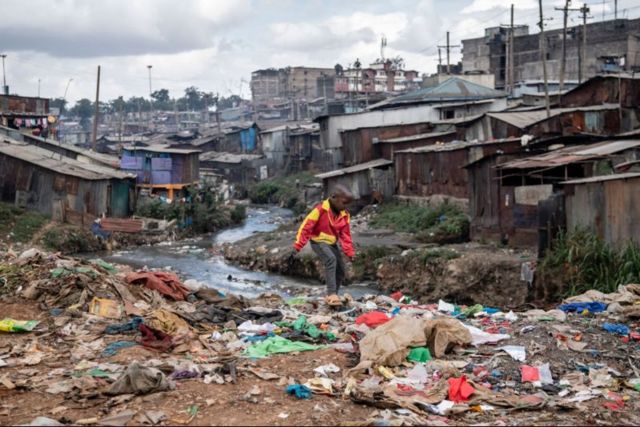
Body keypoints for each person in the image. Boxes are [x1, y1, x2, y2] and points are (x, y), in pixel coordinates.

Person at [293, 185, 355, 305]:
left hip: (331, 243)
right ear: (333, 197)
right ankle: (331, 293)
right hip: (318, 241)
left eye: (348, 204)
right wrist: (298, 245)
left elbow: (345, 235)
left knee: (341, 270)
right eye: (344, 203)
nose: (346, 206)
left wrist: (349, 252)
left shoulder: (344, 215)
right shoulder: (320, 209)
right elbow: (306, 226)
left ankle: (333, 296)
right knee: (330, 259)